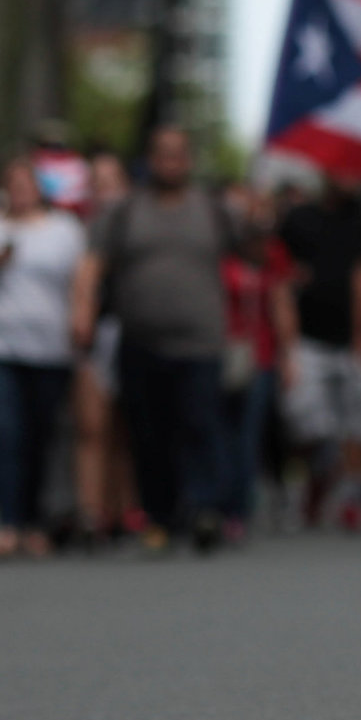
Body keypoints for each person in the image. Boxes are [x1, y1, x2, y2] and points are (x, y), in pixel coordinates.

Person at [73, 125, 236, 553]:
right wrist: (83, 313)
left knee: (202, 427)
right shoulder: (124, 211)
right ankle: (160, 517)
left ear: (189, 160)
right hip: (141, 340)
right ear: (150, 159)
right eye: (162, 155)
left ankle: (203, 510)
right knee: (150, 436)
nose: (170, 163)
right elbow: (93, 264)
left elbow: (253, 254)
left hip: (201, 342)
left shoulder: (212, 210)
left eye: (178, 155)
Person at [0, 156, 85, 559]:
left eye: (28, 184)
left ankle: (34, 521)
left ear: (40, 189)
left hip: (48, 350)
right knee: (5, 433)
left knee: (39, 438)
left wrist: (81, 321)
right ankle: (7, 523)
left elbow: (81, 281)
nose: (21, 191)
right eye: (14, 183)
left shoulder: (65, 231)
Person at [277, 175, 361, 529]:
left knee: (358, 424)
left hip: (352, 342)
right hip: (308, 339)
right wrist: (287, 345)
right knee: (304, 423)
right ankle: (316, 478)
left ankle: (351, 498)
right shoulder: (298, 219)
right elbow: (280, 278)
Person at [220, 190, 297, 540]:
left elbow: (282, 305)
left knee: (248, 435)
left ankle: (239, 507)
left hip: (260, 356)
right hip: (222, 352)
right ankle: (215, 500)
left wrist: (287, 356)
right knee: (219, 430)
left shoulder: (274, 256)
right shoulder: (222, 255)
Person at [72, 149, 135, 544]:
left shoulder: (140, 227)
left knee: (125, 430)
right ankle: (91, 513)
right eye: (96, 183)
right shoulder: (76, 230)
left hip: (131, 331)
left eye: (110, 182)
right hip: (92, 335)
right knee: (92, 428)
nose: (104, 191)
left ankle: (126, 509)